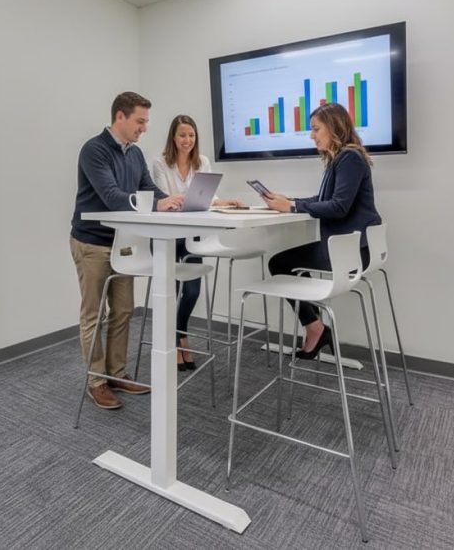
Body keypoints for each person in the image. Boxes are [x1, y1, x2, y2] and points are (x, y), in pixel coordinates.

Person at [71, 92, 184, 410]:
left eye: (146, 122)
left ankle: (116, 374)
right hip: (92, 242)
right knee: (94, 314)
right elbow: (111, 196)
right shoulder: (94, 150)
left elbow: (149, 189)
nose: (144, 128)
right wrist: (157, 204)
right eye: (140, 121)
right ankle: (97, 381)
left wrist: (171, 201)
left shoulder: (135, 153)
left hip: (123, 243)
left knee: (123, 311)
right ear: (120, 116)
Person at [262, 102, 382, 360]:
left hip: (351, 253)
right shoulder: (341, 159)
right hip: (350, 248)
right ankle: (316, 327)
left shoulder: (349, 158)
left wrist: (292, 206)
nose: (311, 135)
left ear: (334, 127)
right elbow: (325, 199)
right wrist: (290, 201)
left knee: (280, 264)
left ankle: (315, 328)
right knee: (285, 264)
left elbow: (338, 207)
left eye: (316, 129)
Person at [150, 115, 243, 371]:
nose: (187, 140)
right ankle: (176, 342)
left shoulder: (202, 161)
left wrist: (223, 201)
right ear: (173, 137)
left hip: (192, 235)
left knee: (192, 291)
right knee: (170, 291)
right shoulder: (160, 163)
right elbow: (165, 199)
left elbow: (206, 196)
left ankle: (179, 335)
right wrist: (184, 200)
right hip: (167, 236)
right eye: (182, 135)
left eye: (191, 135)